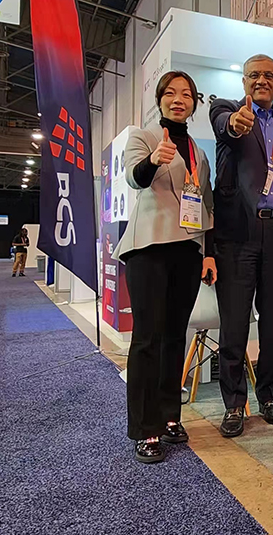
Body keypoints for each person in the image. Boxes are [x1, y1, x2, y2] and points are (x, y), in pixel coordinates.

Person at [113, 70, 216, 463]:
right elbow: (134, 178)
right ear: (159, 100)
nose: (178, 100)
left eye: (186, 94)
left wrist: (208, 252)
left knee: (175, 336)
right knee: (147, 338)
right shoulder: (143, 137)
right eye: (170, 93)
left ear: (194, 103)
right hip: (150, 247)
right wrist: (153, 160)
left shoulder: (199, 153)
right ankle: (145, 428)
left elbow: (204, 205)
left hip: (188, 250)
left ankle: (171, 416)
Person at [209, 54, 273, 438]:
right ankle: (235, 403)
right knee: (234, 324)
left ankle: (269, 396)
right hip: (237, 234)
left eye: (269, 76)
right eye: (254, 75)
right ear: (244, 81)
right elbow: (224, 125)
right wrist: (235, 122)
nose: (262, 80)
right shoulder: (227, 109)